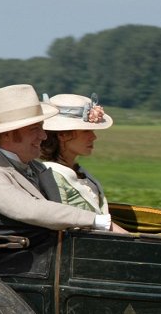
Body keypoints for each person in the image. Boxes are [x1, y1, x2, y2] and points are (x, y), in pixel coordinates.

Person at [0, 84, 115, 232]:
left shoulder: (36, 168)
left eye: (41, 127)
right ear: (6, 134)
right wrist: (97, 220)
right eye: (34, 129)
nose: (43, 136)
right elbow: (27, 208)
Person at [40, 93, 123, 230]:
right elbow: (62, 227)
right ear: (63, 135)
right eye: (86, 131)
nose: (94, 137)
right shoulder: (50, 175)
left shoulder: (79, 171)